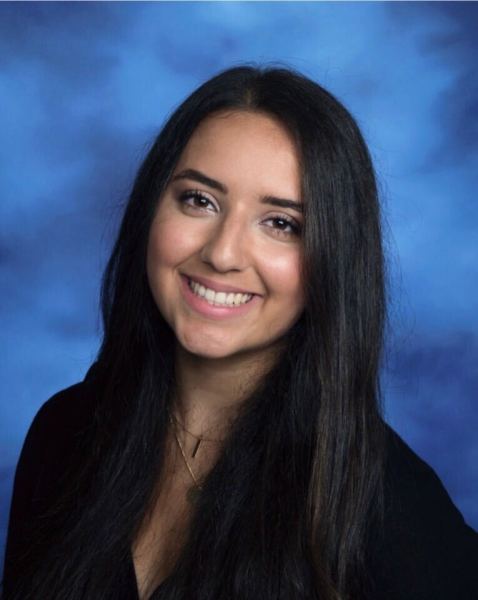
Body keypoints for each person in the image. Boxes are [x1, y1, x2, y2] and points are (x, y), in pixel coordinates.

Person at [2, 65, 477, 600]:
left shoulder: (389, 509)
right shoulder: (65, 433)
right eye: (199, 200)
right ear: (150, 210)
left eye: (281, 224)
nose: (222, 253)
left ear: (334, 261)